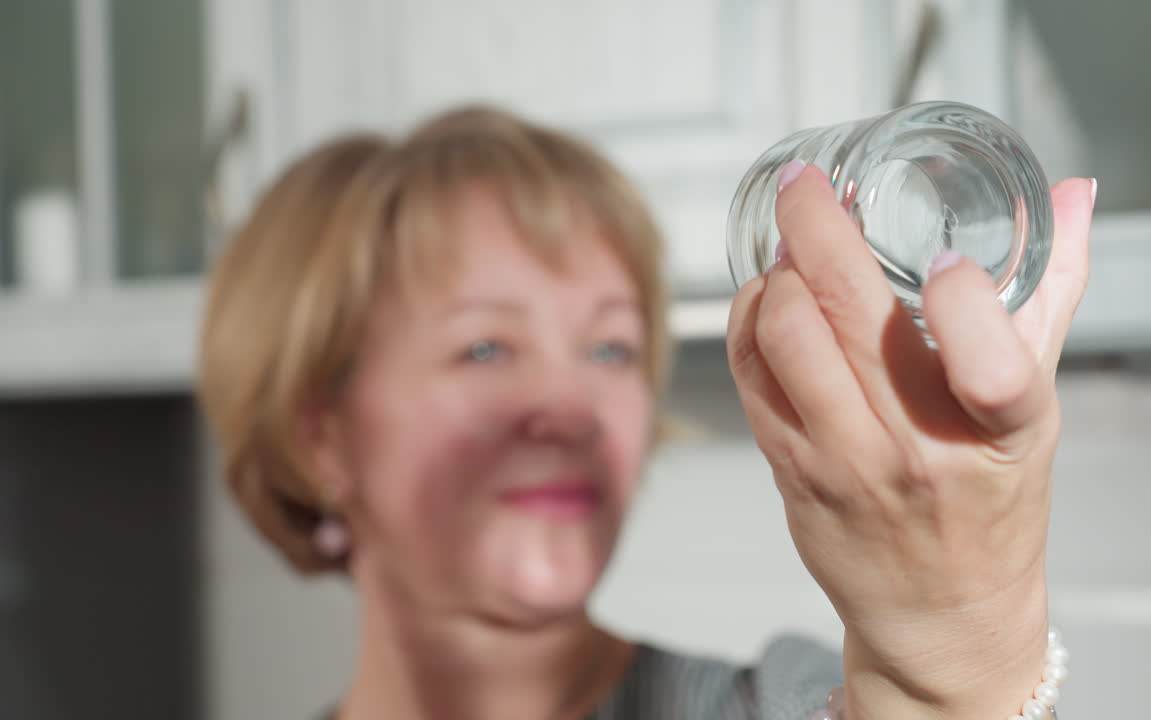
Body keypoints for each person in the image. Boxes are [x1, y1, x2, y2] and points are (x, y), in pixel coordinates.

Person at [198, 105, 1094, 720]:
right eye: (485, 347)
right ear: (322, 438)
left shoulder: (787, 704)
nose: (569, 408)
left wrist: (960, 662)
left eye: (609, 349)